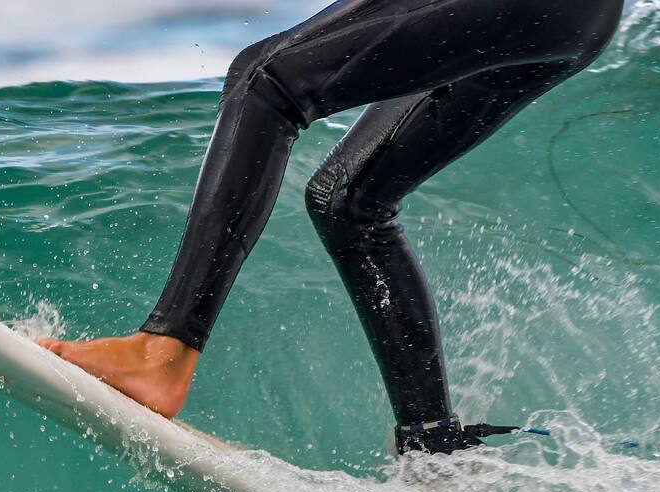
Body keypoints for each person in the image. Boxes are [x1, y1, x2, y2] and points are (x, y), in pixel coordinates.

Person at [41, 0, 624, 455]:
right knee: (349, 201)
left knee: (266, 83)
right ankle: (433, 449)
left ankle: (163, 353)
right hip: (575, 22)